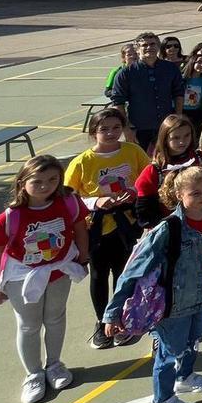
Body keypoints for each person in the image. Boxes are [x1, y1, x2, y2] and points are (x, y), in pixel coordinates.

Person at [101, 166, 202, 403]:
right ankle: (161, 401)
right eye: (195, 192)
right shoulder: (168, 229)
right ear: (179, 194)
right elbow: (133, 270)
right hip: (175, 305)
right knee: (169, 353)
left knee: (193, 342)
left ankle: (186, 377)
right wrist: (112, 312)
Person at [0, 155, 88, 403]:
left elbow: (80, 228)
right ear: (22, 183)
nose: (46, 185)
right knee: (29, 325)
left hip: (59, 271)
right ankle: (33, 374)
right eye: (37, 181)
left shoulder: (69, 202)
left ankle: (54, 366)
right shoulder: (10, 216)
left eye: (52, 179)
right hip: (22, 277)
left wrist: (82, 259)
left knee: (55, 318)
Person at [63, 108, 149, 349]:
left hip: (127, 226)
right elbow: (68, 198)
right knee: (100, 276)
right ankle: (101, 322)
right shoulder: (82, 162)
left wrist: (132, 192)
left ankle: (120, 319)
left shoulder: (133, 151)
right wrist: (95, 202)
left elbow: (148, 178)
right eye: (104, 129)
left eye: (115, 128)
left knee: (124, 273)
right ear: (93, 133)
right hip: (97, 229)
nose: (111, 133)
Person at [108, 32, 185, 151]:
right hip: (139, 128)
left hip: (166, 125)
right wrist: (126, 129)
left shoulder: (170, 69)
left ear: (158, 47)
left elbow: (178, 94)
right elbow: (118, 103)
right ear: (137, 50)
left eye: (153, 44)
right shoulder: (125, 74)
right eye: (144, 45)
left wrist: (178, 119)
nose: (149, 47)